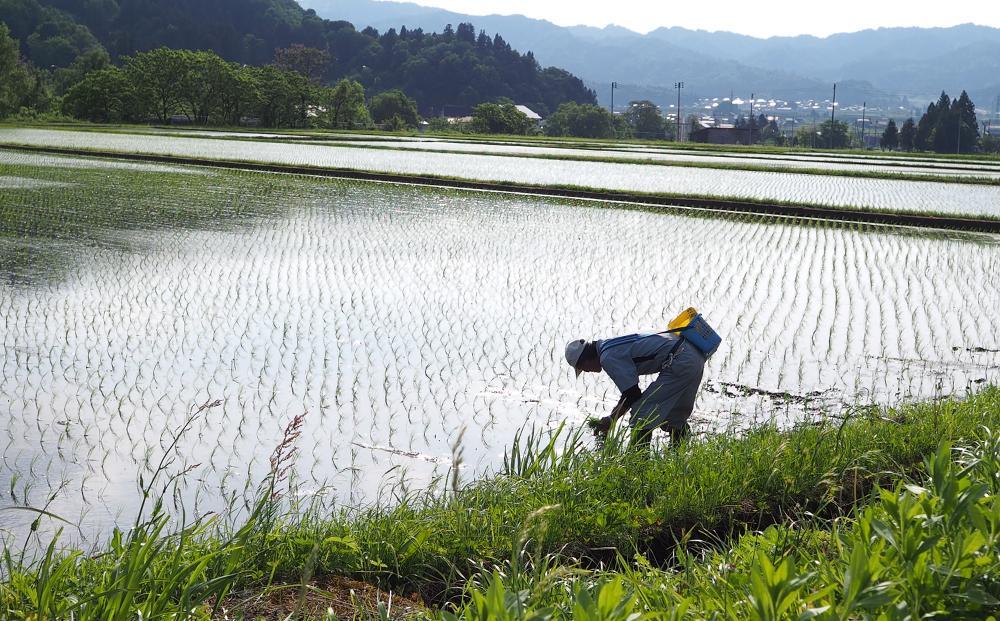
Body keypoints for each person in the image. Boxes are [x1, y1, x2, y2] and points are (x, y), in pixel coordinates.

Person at [565, 330, 707, 447]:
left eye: (583, 368)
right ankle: (679, 456)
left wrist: (611, 419)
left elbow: (632, 394)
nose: (587, 372)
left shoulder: (607, 357)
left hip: (680, 360)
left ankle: (638, 462)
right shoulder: (607, 345)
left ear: (585, 360)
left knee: (641, 412)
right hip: (693, 354)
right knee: (675, 415)